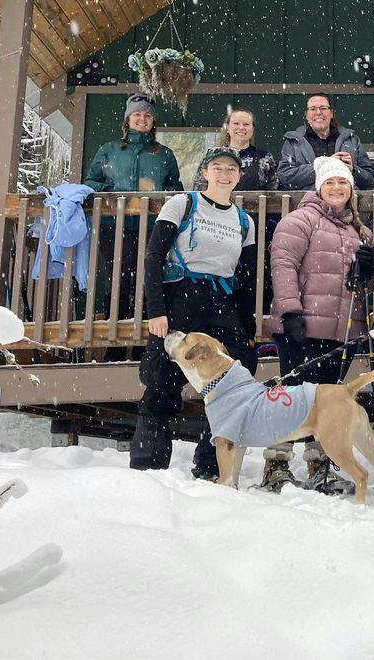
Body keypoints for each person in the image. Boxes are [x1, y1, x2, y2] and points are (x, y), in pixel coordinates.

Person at [129, 147, 258, 477]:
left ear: (239, 176)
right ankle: (148, 468)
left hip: (222, 302)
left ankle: (209, 464)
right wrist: (156, 310)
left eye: (231, 168)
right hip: (181, 297)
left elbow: (245, 278)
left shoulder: (244, 222)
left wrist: (248, 326)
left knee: (235, 378)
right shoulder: (183, 204)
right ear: (205, 172)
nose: (224, 174)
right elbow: (153, 257)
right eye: (218, 167)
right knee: (162, 380)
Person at [262, 156, 374, 493]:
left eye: (343, 183)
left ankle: (320, 464)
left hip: (340, 332)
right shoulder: (300, 221)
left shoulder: (361, 231)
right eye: (330, 182)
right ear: (319, 187)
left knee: (327, 404)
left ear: (351, 189)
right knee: (292, 398)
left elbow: (362, 289)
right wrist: (290, 312)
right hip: (302, 326)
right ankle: (276, 463)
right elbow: (283, 265)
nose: (337, 188)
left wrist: (367, 271)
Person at [83, 93, 182, 361]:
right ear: (128, 119)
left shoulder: (164, 154)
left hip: (152, 228)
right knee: (118, 282)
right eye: (137, 114)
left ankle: (144, 348)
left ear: (153, 122)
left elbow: (176, 189)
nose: (143, 119)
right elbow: (90, 182)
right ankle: (115, 347)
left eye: (148, 115)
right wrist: (109, 190)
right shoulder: (109, 150)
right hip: (113, 226)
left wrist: (164, 199)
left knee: (148, 282)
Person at [277, 93, 374, 190]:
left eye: (323, 108)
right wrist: (325, 165)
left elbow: (370, 180)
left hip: (346, 205)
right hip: (307, 204)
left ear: (331, 113)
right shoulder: (293, 141)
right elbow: (285, 178)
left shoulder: (351, 140)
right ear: (306, 115)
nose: (318, 112)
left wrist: (353, 170)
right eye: (313, 109)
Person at [192, 107, 278, 191]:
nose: (241, 128)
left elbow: (275, 193)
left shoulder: (264, 158)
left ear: (252, 129)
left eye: (246, 124)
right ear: (228, 128)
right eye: (236, 123)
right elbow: (199, 189)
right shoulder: (212, 156)